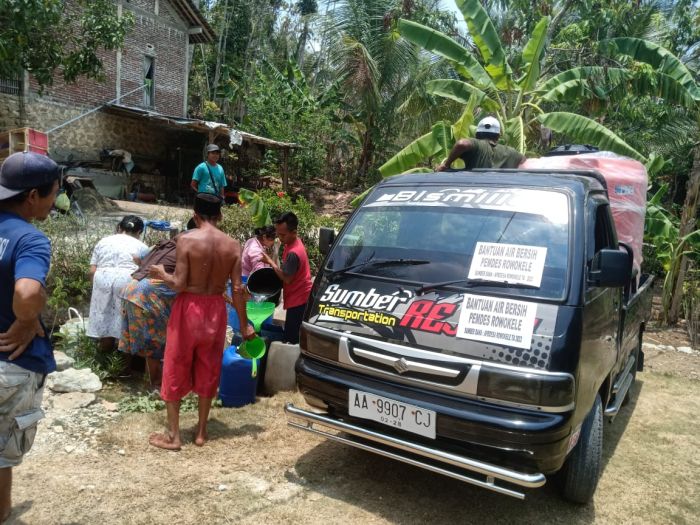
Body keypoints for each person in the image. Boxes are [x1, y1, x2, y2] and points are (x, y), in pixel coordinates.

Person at [148, 193, 255, 450]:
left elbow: (178, 284)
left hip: (189, 307)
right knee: (209, 367)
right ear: (220, 215)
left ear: (195, 215)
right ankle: (201, 432)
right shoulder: (232, 245)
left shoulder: (186, 239)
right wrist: (244, 325)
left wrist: (162, 272)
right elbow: (238, 290)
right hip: (216, 310)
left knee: (175, 364)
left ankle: (174, 436)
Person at [0, 152, 60, 522]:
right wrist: (28, 318)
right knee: (3, 451)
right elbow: (26, 293)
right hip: (10, 362)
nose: (56, 202)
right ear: (33, 196)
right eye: (54, 193)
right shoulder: (29, 239)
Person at [118, 223, 195, 388]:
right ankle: (154, 383)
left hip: (131, 287)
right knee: (155, 338)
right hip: (148, 292)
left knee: (131, 333)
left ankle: (125, 373)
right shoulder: (189, 247)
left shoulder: (164, 244)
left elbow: (137, 258)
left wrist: (147, 267)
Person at [87, 215, 148, 352]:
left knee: (104, 316)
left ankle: (104, 357)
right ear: (139, 232)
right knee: (125, 322)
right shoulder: (142, 246)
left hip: (102, 278)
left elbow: (92, 271)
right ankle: (124, 366)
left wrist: (97, 287)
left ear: (120, 228)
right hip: (128, 280)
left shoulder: (103, 241)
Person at [260, 212, 312, 344]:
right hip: (299, 295)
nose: (280, 237)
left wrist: (270, 262)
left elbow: (287, 279)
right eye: (278, 233)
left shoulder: (294, 253)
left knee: (291, 339)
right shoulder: (293, 242)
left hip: (299, 299)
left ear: (294, 232)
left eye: (283, 234)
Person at [436, 116, 525, 171]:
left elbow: (462, 144)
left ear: (477, 134)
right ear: (498, 136)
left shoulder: (477, 144)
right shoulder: (512, 152)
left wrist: (445, 165)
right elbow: (525, 162)